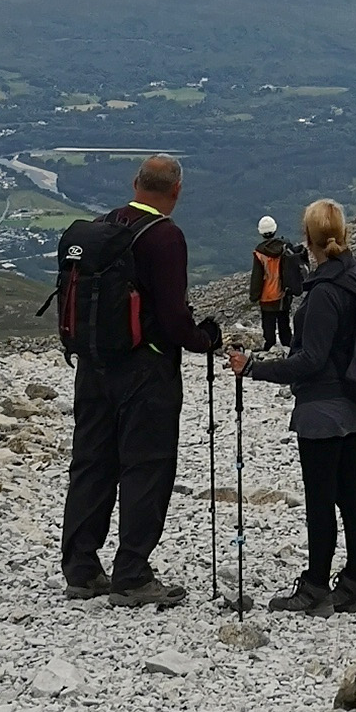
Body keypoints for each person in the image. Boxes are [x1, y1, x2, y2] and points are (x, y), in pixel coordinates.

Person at [61, 154, 217, 607]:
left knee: (92, 463)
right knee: (146, 467)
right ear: (177, 191)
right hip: (145, 373)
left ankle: (81, 568)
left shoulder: (103, 226)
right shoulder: (165, 237)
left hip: (92, 367)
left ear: (135, 183)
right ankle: (132, 572)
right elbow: (172, 318)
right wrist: (202, 338)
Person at [230, 198, 356, 616]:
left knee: (320, 498)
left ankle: (314, 588)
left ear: (308, 237)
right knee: (351, 494)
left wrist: (253, 368)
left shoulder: (325, 290)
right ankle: (354, 584)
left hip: (322, 407)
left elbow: (310, 359)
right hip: (354, 401)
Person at [250, 215, 304, 351]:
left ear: (261, 232)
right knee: (284, 323)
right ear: (275, 229)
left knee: (268, 325)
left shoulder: (259, 253)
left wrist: (254, 295)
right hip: (283, 294)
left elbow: (257, 277)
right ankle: (288, 346)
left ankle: (269, 346)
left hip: (266, 296)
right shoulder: (285, 248)